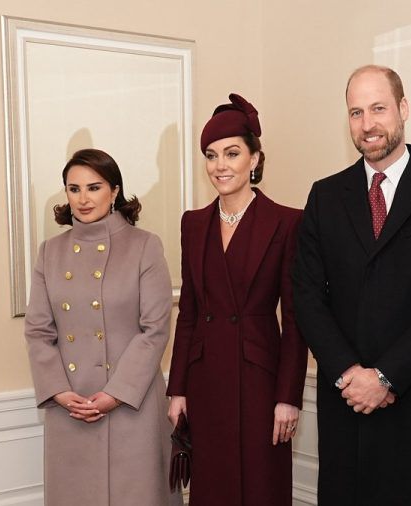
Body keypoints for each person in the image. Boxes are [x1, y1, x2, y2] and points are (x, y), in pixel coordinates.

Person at [293, 65, 411, 505]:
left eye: (378, 108)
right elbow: (306, 295)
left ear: (403, 109)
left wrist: (386, 376)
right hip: (345, 400)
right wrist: (348, 373)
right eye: (356, 112)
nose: (367, 123)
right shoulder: (325, 195)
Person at [166, 93, 308, 506]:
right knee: (213, 489)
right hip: (205, 378)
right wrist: (178, 389)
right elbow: (188, 313)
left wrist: (288, 397)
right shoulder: (193, 224)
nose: (220, 166)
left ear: (255, 159)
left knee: (262, 488)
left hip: (262, 383)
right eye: (211, 156)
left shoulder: (287, 222)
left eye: (231, 153)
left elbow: (296, 320)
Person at [24, 148, 181, 505]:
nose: (83, 198)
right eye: (73, 188)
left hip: (131, 405)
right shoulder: (50, 252)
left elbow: (154, 328)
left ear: (114, 191)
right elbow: (38, 331)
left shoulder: (145, 246)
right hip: (71, 406)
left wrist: (115, 393)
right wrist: (59, 392)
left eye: (93, 188)